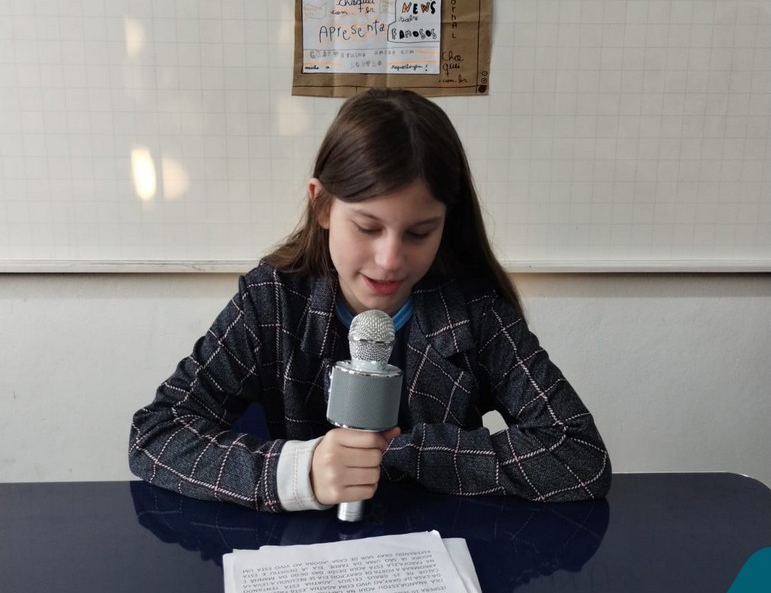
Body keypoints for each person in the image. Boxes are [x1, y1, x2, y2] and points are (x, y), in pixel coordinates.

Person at [129, 88, 611, 511]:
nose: (389, 261)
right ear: (322, 206)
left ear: (447, 223)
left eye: (419, 233)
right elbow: (156, 434)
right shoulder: (271, 300)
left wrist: (406, 453)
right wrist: (301, 471)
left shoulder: (474, 311)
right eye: (367, 227)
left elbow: (580, 455)